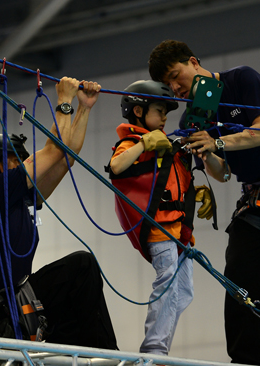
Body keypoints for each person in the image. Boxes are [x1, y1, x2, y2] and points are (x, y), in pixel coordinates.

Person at [148, 40, 260, 366]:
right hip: (255, 197)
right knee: (241, 280)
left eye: (176, 76)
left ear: (193, 61)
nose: (174, 87)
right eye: (167, 85)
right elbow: (223, 173)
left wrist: (215, 140)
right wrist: (207, 152)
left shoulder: (241, 80)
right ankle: (247, 361)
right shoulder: (193, 119)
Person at [0, 77, 117, 349]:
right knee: (81, 267)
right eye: (17, 158)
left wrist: (83, 108)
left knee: (76, 281)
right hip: (4, 308)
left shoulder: (11, 198)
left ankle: (81, 351)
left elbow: (66, 157)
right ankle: (104, 353)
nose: (24, 162)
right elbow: (54, 149)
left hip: (17, 301)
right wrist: (64, 100)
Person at [106, 80, 214, 356]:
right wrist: (143, 143)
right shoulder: (133, 142)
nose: (165, 117)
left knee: (184, 291)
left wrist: (195, 193)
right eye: (159, 110)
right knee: (167, 284)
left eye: (167, 112)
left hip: (177, 231)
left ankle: (159, 344)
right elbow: (117, 167)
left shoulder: (168, 145)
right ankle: (155, 349)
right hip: (159, 229)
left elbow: (172, 179)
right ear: (139, 112)